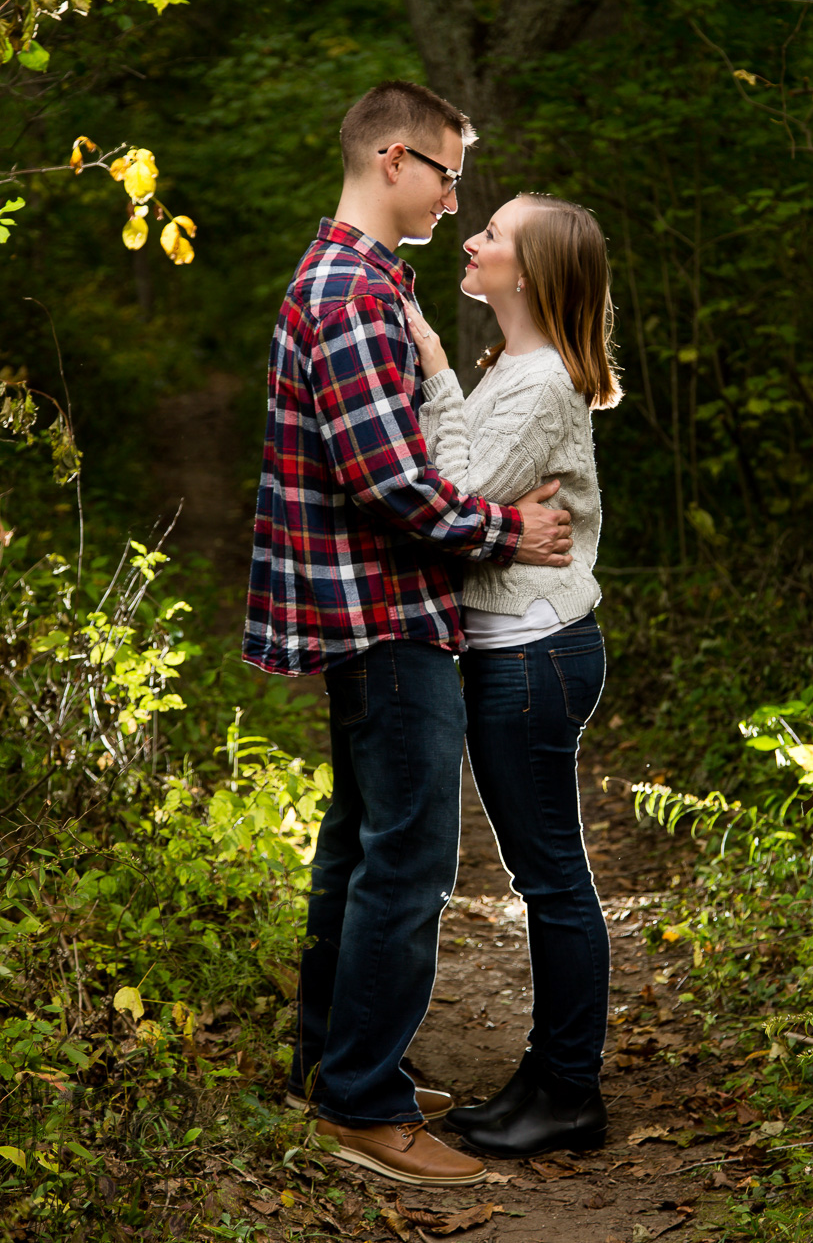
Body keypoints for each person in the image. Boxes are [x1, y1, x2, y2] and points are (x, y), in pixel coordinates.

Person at [242, 82, 575, 1188]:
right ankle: (360, 1104)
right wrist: (505, 529)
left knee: (361, 839)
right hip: (385, 614)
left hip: (383, 608)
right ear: (394, 160)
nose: (453, 192)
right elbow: (389, 483)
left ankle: (332, 1062)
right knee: (409, 860)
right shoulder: (346, 290)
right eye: (444, 171)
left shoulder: (370, 283)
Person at [403, 192, 621, 1157]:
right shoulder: (520, 368)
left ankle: (569, 1091)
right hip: (520, 648)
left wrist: (439, 371)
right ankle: (549, 1073)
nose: (471, 239)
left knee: (552, 879)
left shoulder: (533, 385)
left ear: (526, 272)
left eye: (490, 233)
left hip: (532, 655)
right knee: (546, 875)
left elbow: (452, 501)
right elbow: (464, 490)